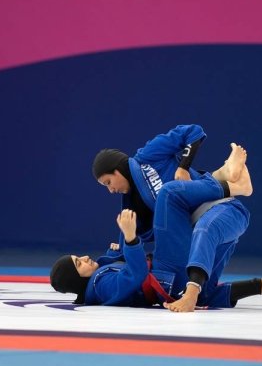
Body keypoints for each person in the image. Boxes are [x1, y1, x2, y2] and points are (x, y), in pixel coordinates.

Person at [50, 168, 262, 312]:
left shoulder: (99, 281)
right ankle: (231, 185)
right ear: (77, 279)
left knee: (207, 292)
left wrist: (113, 255)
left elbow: (123, 277)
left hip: (173, 283)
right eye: (78, 263)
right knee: (169, 194)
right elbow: (135, 275)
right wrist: (131, 239)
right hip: (169, 272)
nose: (83, 258)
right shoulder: (99, 285)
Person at [92, 124, 252, 299]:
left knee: (170, 191)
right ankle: (224, 174)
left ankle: (233, 182)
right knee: (204, 294)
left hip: (209, 200)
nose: (111, 190)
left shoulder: (147, 155)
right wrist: (117, 250)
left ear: (117, 169)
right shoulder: (130, 208)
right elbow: (129, 248)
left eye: (108, 182)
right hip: (191, 224)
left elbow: (193, 132)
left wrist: (183, 167)